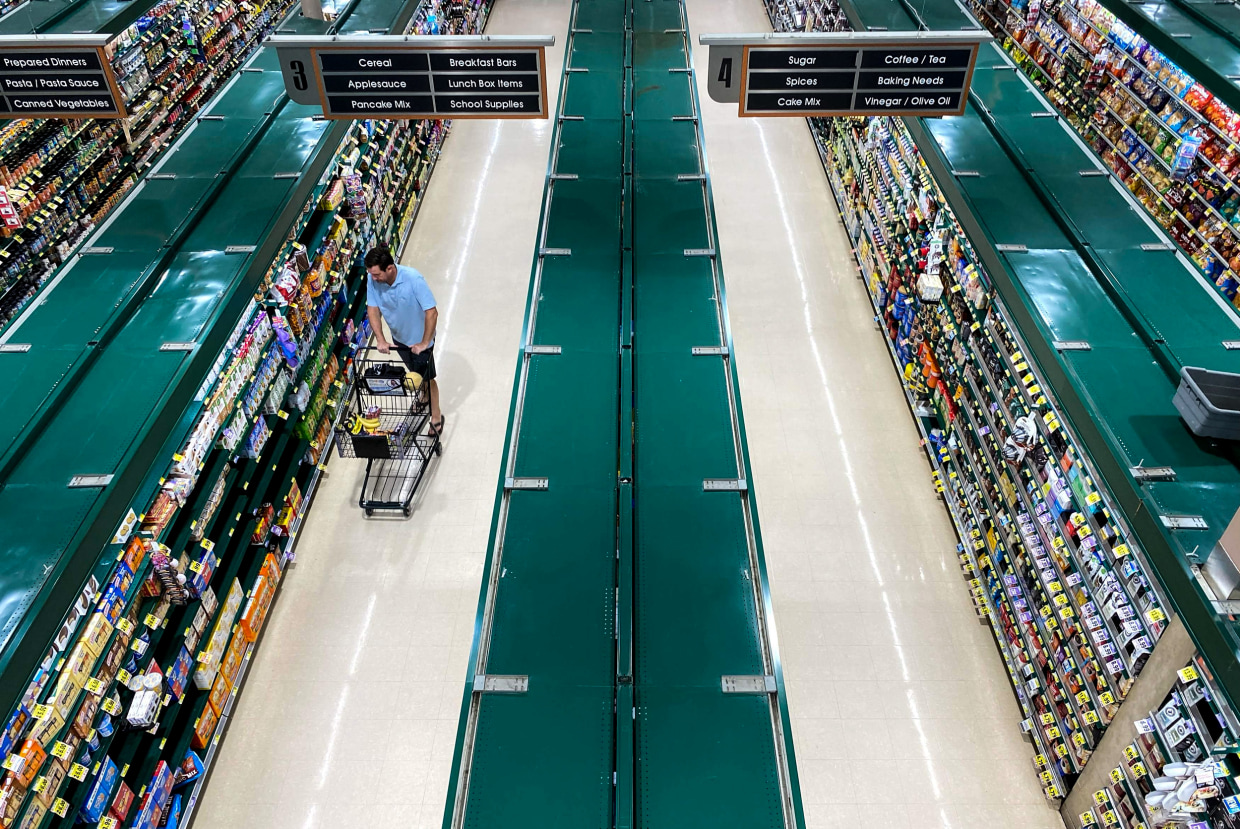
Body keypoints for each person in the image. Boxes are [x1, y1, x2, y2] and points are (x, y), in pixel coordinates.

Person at [364, 246, 444, 436]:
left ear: (390, 268)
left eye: (376, 274)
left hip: (420, 340)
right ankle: (423, 396)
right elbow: (372, 309)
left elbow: (431, 312)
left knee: (428, 377)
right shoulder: (372, 278)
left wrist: (424, 343)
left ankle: (436, 415)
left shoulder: (413, 279)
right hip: (399, 338)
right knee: (415, 372)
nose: (373, 279)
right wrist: (381, 339)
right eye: (371, 274)